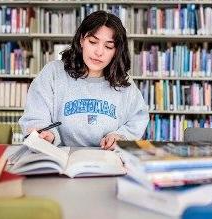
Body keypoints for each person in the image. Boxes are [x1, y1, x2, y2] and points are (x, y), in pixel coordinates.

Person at [19, 11, 149, 150]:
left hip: (108, 160)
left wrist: (121, 136)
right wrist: (47, 135)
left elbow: (138, 119)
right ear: (81, 40)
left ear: (116, 51)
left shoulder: (124, 82)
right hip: (60, 159)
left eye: (108, 46)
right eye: (93, 42)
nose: (99, 52)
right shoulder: (53, 73)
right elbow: (35, 116)